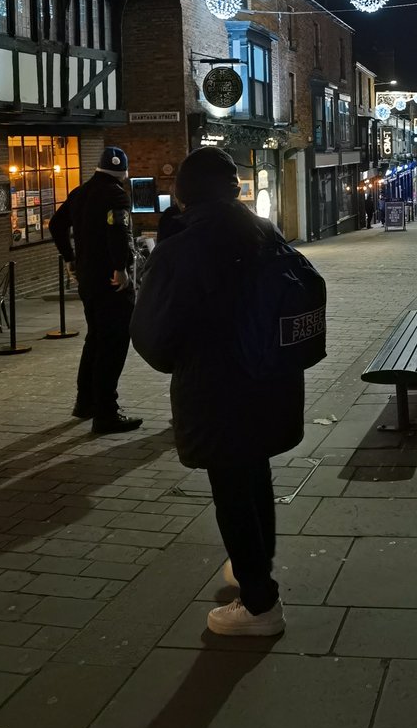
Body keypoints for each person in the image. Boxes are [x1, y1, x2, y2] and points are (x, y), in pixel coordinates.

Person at [130, 147, 306, 638]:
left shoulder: (182, 248)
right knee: (255, 475)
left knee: (231, 488)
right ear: (233, 190)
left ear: (183, 195)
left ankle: (259, 604)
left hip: (218, 390)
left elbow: (153, 336)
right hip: (271, 382)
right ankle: (254, 566)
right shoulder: (264, 232)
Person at [49, 147, 142, 434]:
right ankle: (106, 412)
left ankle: (85, 401)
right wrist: (121, 267)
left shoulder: (80, 192)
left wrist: (69, 258)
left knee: (95, 338)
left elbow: (55, 224)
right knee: (113, 344)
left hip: (88, 280)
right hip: (110, 282)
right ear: (123, 172)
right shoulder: (116, 195)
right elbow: (119, 232)